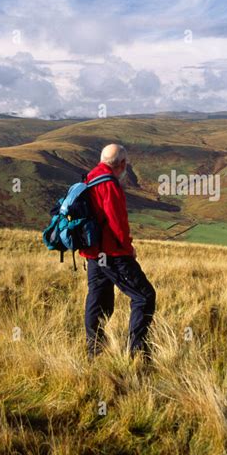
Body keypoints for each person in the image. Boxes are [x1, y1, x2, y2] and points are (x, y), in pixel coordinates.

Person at [79, 143, 156, 360]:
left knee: (99, 299)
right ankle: (137, 353)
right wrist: (127, 248)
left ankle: (94, 351)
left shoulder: (89, 178)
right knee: (144, 296)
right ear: (121, 164)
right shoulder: (110, 185)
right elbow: (117, 223)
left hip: (93, 253)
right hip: (112, 254)